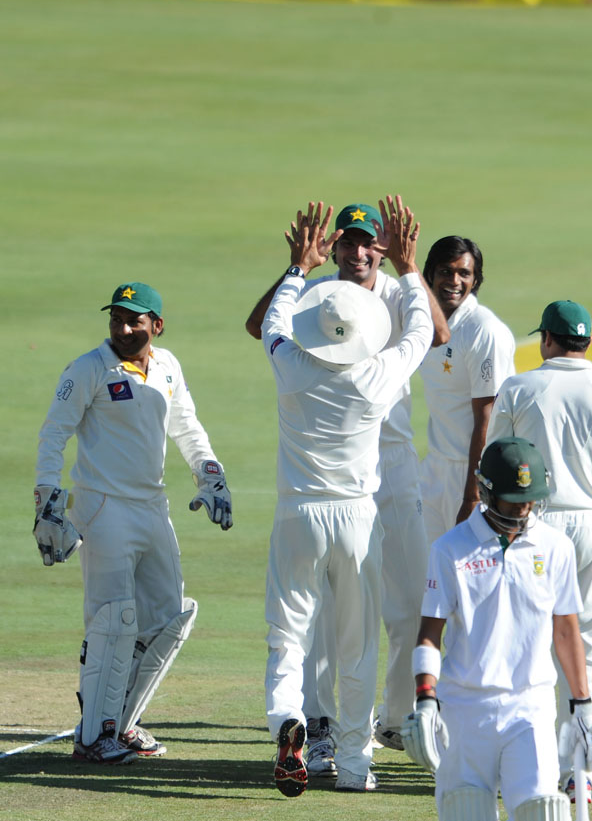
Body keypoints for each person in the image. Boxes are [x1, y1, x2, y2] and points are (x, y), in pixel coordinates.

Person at [402, 437, 592, 821]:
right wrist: (425, 699)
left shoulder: (555, 545)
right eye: (513, 502)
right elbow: (430, 631)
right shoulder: (451, 547)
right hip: (466, 709)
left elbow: (566, 628)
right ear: (485, 489)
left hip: (531, 707)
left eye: (529, 502)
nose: (522, 512)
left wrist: (583, 704)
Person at [246, 198, 447, 768]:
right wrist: (411, 268)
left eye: (368, 243)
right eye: (349, 242)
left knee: (399, 606)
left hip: (370, 475)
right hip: (355, 490)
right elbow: (421, 340)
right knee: (336, 621)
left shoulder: (298, 341)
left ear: (380, 247)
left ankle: (389, 719)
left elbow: (438, 331)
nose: (358, 252)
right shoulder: (342, 330)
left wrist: (295, 267)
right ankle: (328, 732)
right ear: (334, 246)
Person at [34, 282, 232, 764]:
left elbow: (186, 424)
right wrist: (47, 501)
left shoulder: (167, 366)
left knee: (168, 618)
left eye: (135, 321)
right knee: (112, 619)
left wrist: (210, 474)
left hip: (152, 507)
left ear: (156, 325)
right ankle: (93, 735)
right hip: (103, 508)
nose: (123, 329)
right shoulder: (88, 369)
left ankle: (119, 724)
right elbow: (53, 433)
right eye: (117, 320)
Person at [486, 301, 592, 795]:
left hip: (535, 522)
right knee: (591, 648)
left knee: (531, 646)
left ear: (547, 340)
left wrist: (492, 527)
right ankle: (584, 769)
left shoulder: (520, 386)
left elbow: (495, 459)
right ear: (587, 343)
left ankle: (533, 764)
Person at [418, 236, 515, 542]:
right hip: (435, 467)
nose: (454, 281)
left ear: (476, 280)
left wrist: (472, 496)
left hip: (473, 474)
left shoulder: (484, 330)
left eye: (464, 274)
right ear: (430, 274)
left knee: (473, 577)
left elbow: (488, 418)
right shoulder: (424, 321)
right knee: (432, 575)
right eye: (446, 271)